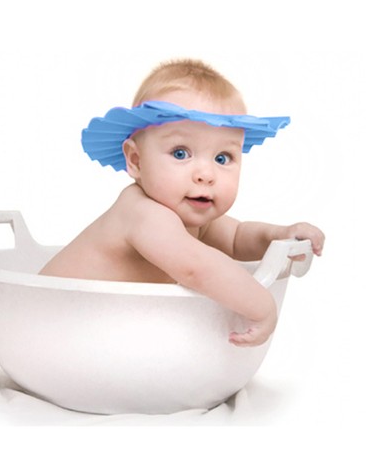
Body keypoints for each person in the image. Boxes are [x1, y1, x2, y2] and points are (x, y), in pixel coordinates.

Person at [40, 59, 325, 347]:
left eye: (222, 158)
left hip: (93, 333)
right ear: (136, 160)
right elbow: (196, 268)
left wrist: (280, 236)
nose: (206, 174)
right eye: (180, 153)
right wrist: (261, 306)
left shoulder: (190, 218)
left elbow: (238, 238)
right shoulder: (142, 213)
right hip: (46, 324)